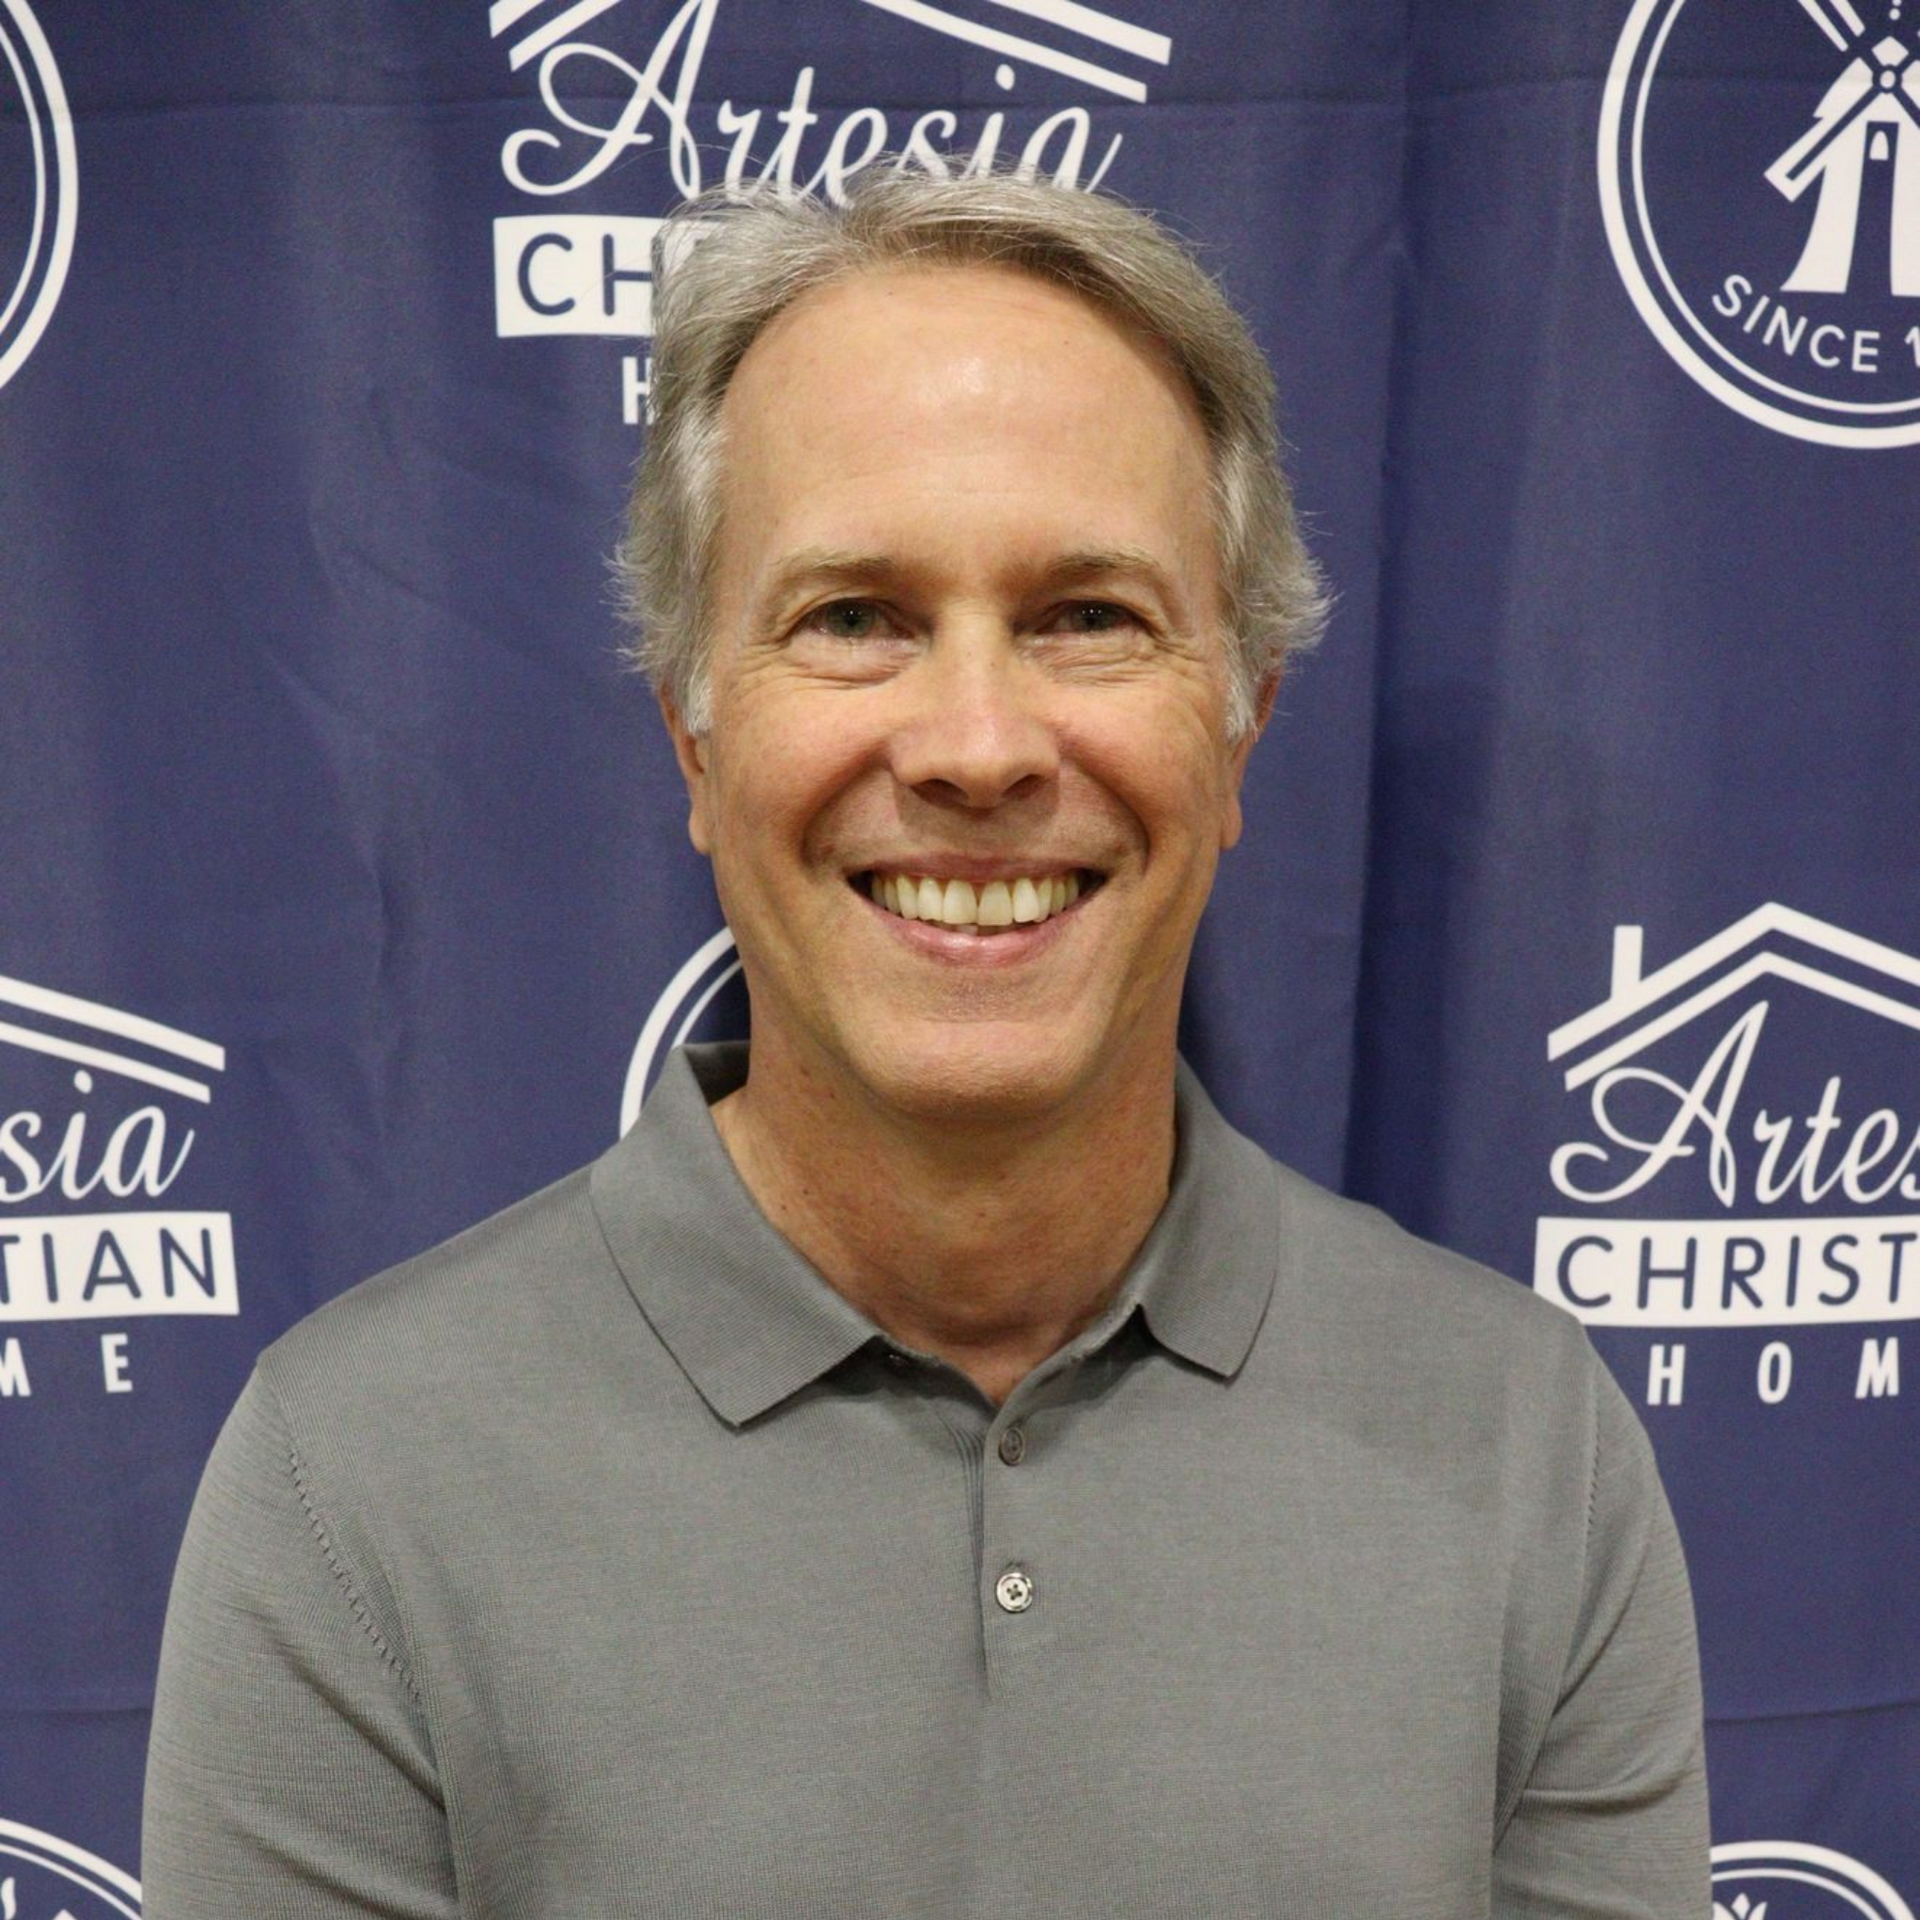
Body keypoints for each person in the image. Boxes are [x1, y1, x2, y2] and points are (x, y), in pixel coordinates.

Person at [143, 170, 1709, 1917]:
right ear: (692, 738)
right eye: (856, 618)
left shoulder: (1524, 1443)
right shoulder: (354, 1481)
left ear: (1243, 724)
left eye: (1089, 618)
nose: (977, 744)